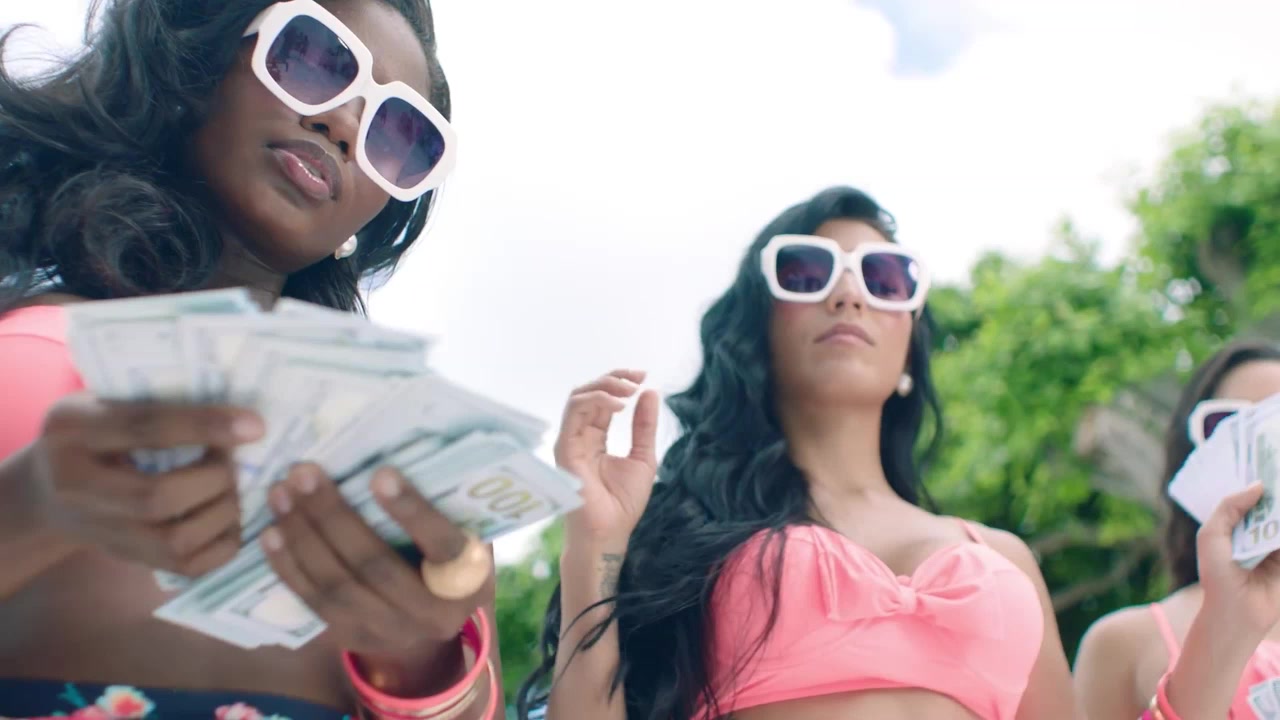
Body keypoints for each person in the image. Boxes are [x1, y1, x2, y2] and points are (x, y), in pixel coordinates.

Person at [0, 1, 499, 718]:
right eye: (317, 60)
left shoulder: (414, 488)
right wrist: (29, 507)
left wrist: (418, 663)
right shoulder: (21, 352)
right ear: (194, 65)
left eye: (398, 134)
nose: (345, 124)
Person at [520, 186, 1082, 720]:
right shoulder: (694, 540)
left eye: (884, 280)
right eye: (807, 274)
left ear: (911, 353)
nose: (848, 296)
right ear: (757, 329)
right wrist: (594, 543)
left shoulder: (1005, 560)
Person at [1076, 340, 1280, 719]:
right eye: (1230, 426)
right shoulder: (1124, 642)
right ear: (1192, 455)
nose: (1262, 452)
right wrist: (1225, 628)